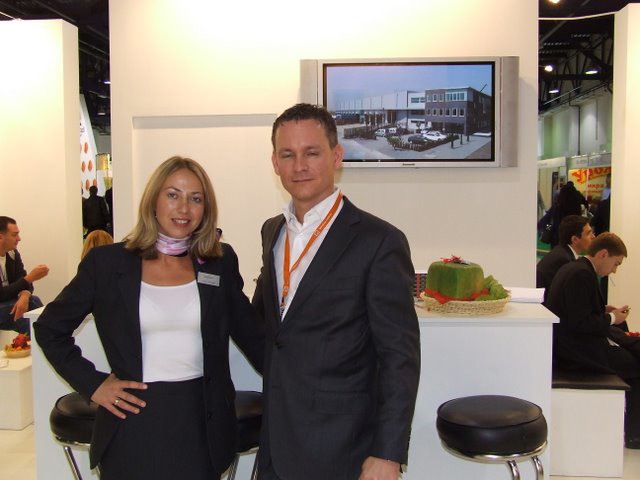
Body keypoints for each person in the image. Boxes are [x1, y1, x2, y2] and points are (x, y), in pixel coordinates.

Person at [34, 156, 264, 479]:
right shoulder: (107, 263)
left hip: (201, 422)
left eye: (195, 199)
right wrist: (94, 384)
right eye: (173, 195)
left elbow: (254, 338)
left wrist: (306, 381)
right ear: (153, 200)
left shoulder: (219, 262)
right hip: (133, 419)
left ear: (206, 209)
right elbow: (49, 328)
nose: (183, 208)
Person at [252, 103, 421, 480]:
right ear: (275, 163)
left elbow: (399, 357)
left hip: (343, 449)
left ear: (336, 156)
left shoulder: (379, 241)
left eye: (312, 152)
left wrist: (388, 453)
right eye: (287, 155)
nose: (299, 166)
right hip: (277, 444)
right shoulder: (271, 232)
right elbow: (270, 330)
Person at [546, 232, 640, 447]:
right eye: (616, 264)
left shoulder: (575, 269)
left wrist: (604, 310)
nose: (614, 270)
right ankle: (634, 434)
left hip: (571, 344)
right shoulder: (582, 274)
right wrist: (612, 318)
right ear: (603, 254)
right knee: (635, 365)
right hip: (577, 351)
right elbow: (581, 323)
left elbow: (576, 310)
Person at [0, 216, 48, 335]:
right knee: (29, 313)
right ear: (0, 237)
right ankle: (50, 339)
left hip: (7, 302)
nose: (19, 239)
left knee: (32, 304)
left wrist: (25, 295)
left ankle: (48, 338)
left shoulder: (12, 253)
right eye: (14, 235)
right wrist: (29, 278)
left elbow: (22, 280)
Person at [536, 215, 594, 301]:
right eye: (588, 233)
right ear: (575, 239)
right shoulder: (563, 260)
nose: (593, 237)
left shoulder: (562, 253)